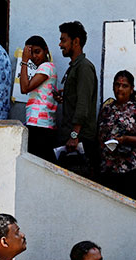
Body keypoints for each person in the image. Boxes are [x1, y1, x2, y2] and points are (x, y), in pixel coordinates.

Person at [97, 70, 136, 202]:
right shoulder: (106, 110)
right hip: (108, 170)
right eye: (117, 85)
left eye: (124, 86)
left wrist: (127, 139)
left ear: (132, 89)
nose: (120, 89)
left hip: (131, 171)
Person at [58, 21, 98, 176]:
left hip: (79, 140)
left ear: (76, 42)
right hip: (73, 138)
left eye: (63, 40)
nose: (60, 44)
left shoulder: (84, 67)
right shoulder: (75, 67)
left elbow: (83, 104)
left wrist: (74, 136)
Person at [20, 35, 57, 162]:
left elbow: (24, 88)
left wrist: (24, 61)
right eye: (32, 53)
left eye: (38, 52)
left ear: (46, 50)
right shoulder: (44, 68)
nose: (35, 57)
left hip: (40, 124)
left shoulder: (46, 67)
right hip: (39, 123)